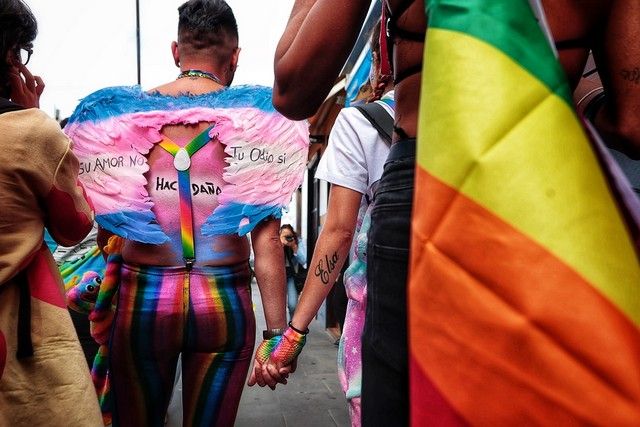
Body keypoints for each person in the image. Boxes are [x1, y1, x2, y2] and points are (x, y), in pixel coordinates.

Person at [65, 1, 308, 425]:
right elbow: (266, 236)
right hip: (225, 300)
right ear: (234, 58)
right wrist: (276, 336)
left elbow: (96, 220)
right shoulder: (256, 122)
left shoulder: (118, 118)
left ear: (176, 51)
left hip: (144, 298)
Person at [258, 22, 394, 426]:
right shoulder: (483, 114)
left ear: (379, 60)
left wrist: (292, 335)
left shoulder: (361, 124)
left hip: (382, 314)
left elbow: (338, 231)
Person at [0, 1, 102, 425]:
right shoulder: (30, 133)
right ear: (11, 57)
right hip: (24, 335)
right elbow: (73, 226)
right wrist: (35, 115)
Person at [280, 224, 306, 319]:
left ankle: (292, 327)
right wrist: (280, 245)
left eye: (289, 236)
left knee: (292, 305)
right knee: (279, 307)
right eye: (285, 236)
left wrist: (294, 248)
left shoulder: (297, 242)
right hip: (278, 277)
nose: (288, 239)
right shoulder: (276, 243)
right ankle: (282, 329)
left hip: (291, 275)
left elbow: (303, 260)